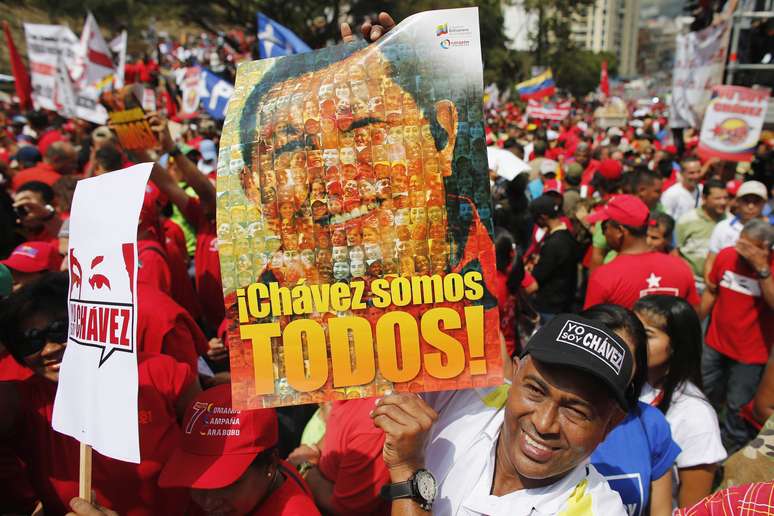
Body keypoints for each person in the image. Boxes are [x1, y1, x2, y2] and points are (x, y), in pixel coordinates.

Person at [370, 311, 640, 515]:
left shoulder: (598, 510)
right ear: (515, 373)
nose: (544, 423)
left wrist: (408, 470)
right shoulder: (472, 396)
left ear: (611, 424)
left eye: (576, 410)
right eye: (535, 390)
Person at [0, 272, 200, 514]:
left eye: (60, 330)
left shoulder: (160, 374)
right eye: (30, 341)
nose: (49, 348)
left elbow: (215, 452)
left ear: (91, 322)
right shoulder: (24, 403)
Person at [158, 384, 320, 516]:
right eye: (195, 481)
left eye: (226, 484)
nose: (207, 502)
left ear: (270, 463)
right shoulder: (269, 481)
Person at [586, 304, 680, 516]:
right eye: (600, 354)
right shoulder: (545, 419)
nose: (608, 367)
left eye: (621, 359)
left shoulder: (652, 423)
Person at [633, 295, 726, 508]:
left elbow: (692, 508)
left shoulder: (696, 415)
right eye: (632, 328)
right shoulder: (625, 383)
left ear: (676, 346)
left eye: (646, 334)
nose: (633, 339)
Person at [700, 219, 774, 452]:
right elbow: (712, 292)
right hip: (715, 342)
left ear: (765, 247)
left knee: (737, 406)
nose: (741, 251)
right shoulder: (726, 256)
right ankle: (702, 438)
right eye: (740, 242)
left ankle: (729, 451)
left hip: (750, 354)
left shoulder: (770, 267)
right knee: (704, 392)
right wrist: (696, 322)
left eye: (749, 247)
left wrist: (762, 269)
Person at [584, 195, 699, 310]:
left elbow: (591, 325)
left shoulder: (603, 277)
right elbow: (694, 316)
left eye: (604, 227)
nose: (604, 233)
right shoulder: (681, 268)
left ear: (620, 231)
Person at [704, 180, 769, 287]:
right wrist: (710, 284)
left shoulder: (770, 231)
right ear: (737, 201)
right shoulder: (723, 227)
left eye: (756, 201)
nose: (751, 206)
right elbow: (711, 259)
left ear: (764, 204)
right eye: (746, 201)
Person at [527, 196, 578, 322]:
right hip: (564, 302)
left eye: (536, 218)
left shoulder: (554, 243)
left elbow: (537, 278)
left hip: (550, 307)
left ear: (543, 217)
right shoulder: (567, 234)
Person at [675, 179, 728, 292]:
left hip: (718, 287)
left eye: (725, 198)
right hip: (691, 283)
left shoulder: (730, 223)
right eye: (718, 198)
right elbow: (675, 250)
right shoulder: (687, 220)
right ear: (704, 198)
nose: (723, 202)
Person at [11, 141, 78, 191]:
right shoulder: (60, 183)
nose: (75, 166)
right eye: (72, 162)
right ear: (57, 159)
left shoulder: (19, 176)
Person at [660, 156, 703, 222]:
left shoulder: (702, 190)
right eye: (691, 173)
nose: (696, 176)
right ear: (682, 173)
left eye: (698, 172)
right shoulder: (671, 194)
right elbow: (664, 220)